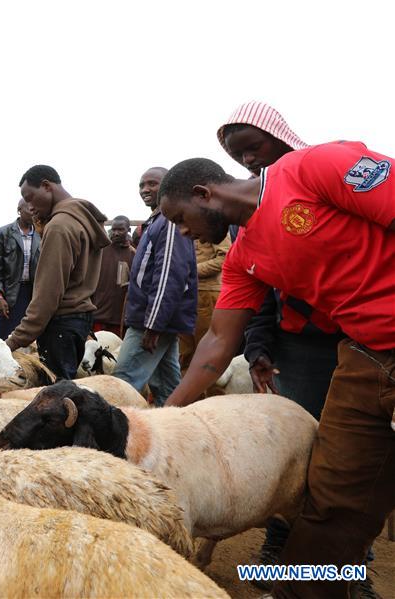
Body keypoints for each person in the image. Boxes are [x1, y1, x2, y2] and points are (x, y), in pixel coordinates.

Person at [159, 144, 395, 599]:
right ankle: (298, 593)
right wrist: (164, 416)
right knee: (331, 498)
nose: (183, 233)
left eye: (180, 219)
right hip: (364, 357)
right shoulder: (243, 257)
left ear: (203, 193)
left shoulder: (311, 169)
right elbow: (217, 344)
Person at [217, 101, 375, 593]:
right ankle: (284, 547)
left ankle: (354, 563)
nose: (248, 162)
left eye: (253, 147)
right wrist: (260, 347)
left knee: (352, 465)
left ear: (280, 135)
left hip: (361, 340)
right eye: (238, 156)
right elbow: (255, 300)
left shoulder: (321, 172)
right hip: (301, 349)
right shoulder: (248, 229)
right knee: (309, 455)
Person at [6, 166, 110, 380]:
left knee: (55, 397)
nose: (30, 207)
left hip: (60, 323)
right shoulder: (82, 220)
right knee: (66, 386)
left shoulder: (59, 227)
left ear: (46, 186)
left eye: (31, 198)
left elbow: (48, 293)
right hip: (79, 320)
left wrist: (15, 340)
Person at [112, 168, 197, 406]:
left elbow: (169, 276)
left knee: (122, 384)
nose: (145, 190)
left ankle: (111, 441)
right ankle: (179, 435)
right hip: (157, 321)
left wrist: (153, 325)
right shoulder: (157, 222)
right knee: (168, 387)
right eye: (141, 185)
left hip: (150, 322)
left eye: (152, 184)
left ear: (169, 186)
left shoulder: (169, 223)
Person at [0, 199, 40, 340]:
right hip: (10, 295)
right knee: (7, 338)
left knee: (33, 341)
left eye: (35, 208)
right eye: (29, 208)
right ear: (19, 210)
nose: (33, 211)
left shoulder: (41, 234)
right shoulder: (4, 233)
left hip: (35, 295)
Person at [177, 236, 230, 371]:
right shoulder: (182, 224)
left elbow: (225, 258)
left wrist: (191, 270)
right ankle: (190, 391)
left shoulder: (213, 222)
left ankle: (211, 392)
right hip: (185, 293)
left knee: (206, 351)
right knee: (185, 352)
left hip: (206, 292)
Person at [91, 215, 135, 337]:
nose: (115, 233)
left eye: (120, 230)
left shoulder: (133, 255)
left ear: (128, 230)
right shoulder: (101, 250)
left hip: (119, 318)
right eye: (113, 229)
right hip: (98, 314)